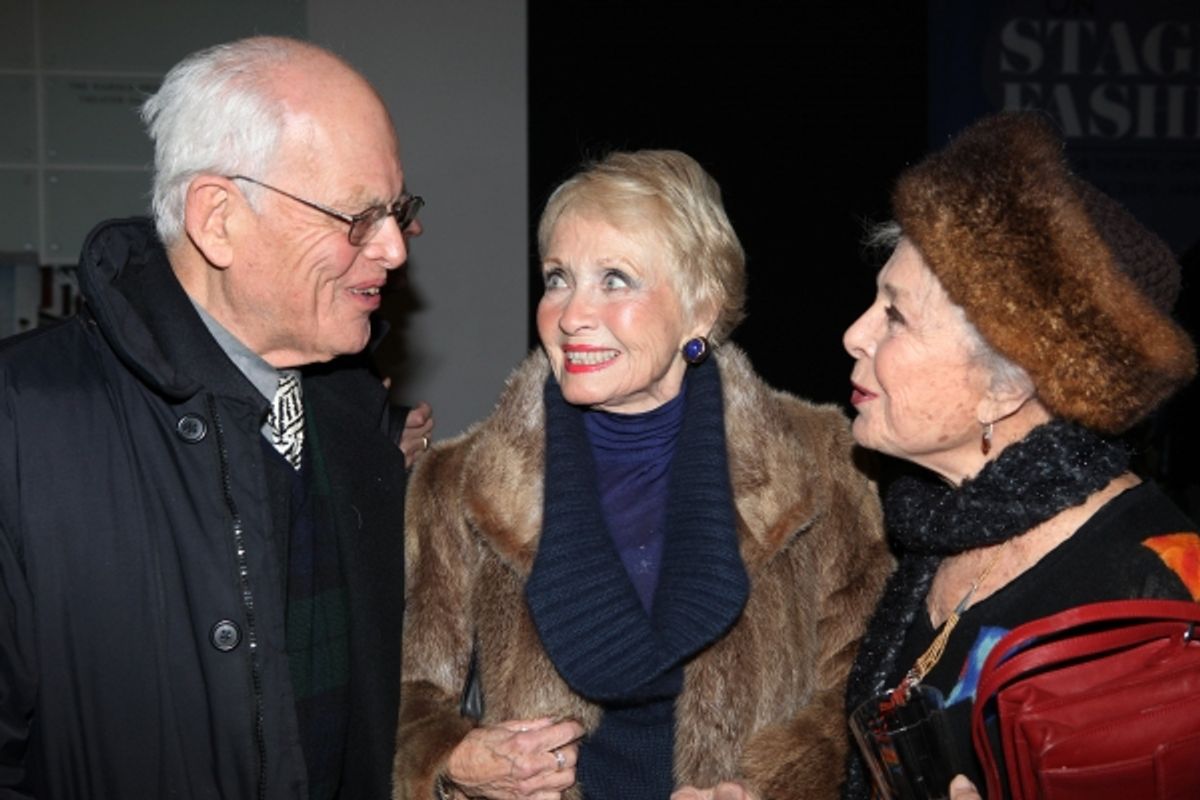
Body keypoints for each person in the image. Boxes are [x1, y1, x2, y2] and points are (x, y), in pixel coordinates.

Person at [0, 36, 430, 798]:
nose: (393, 249)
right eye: (358, 217)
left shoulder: (354, 421)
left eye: (398, 212)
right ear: (219, 218)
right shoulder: (23, 427)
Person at [394, 149, 892, 800]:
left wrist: (771, 787)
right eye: (557, 278)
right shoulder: (460, 482)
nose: (571, 314)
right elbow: (405, 695)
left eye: (616, 279)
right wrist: (457, 760)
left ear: (701, 310)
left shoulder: (818, 461)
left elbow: (864, 681)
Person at [840, 112, 1200, 799]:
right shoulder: (938, 525)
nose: (853, 334)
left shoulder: (1154, 602)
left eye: (895, 316)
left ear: (1005, 389)